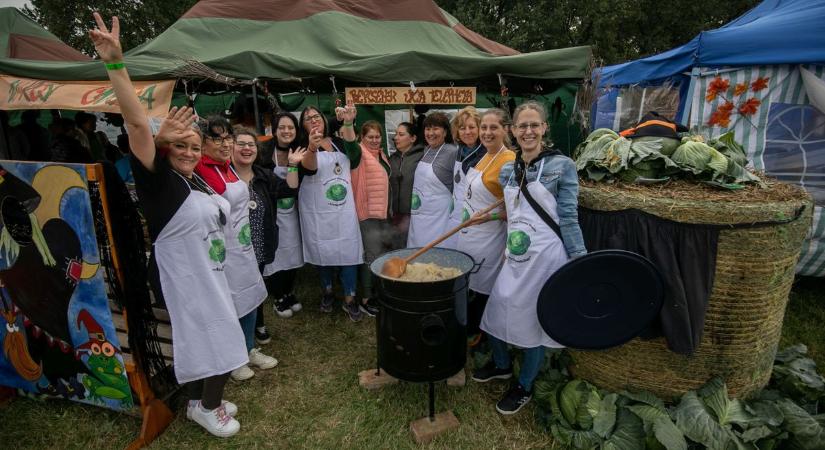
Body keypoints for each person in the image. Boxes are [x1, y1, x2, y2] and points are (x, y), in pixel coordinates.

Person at [90, 13, 246, 436]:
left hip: (208, 272)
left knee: (209, 337)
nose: (189, 151)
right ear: (163, 147)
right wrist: (116, 62)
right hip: (183, 277)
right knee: (218, 339)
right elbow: (137, 122)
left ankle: (199, 400)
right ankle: (208, 407)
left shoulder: (191, 178)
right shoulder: (159, 180)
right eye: (180, 145)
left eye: (194, 146)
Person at [473, 101, 586, 415]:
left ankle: (523, 386)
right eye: (522, 126)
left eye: (534, 125)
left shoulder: (562, 166)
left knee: (533, 324)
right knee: (495, 312)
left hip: (547, 258)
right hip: (516, 255)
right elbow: (513, 214)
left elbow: (568, 218)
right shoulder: (510, 169)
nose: (528, 131)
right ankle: (501, 365)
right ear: (513, 131)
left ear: (544, 128)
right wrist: (490, 220)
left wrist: (580, 262)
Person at [193, 115, 274, 382]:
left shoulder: (227, 167)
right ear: (202, 143)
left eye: (228, 137)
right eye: (217, 138)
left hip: (243, 244)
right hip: (220, 249)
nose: (225, 143)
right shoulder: (199, 170)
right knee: (230, 303)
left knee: (249, 296)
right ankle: (233, 357)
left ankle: (249, 348)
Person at [231, 127, 303, 366]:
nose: (246, 148)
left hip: (259, 245)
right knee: (234, 297)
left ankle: (255, 332)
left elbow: (288, 188)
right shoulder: (224, 176)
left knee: (254, 289)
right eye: (240, 143)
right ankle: (236, 347)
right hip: (231, 251)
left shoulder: (262, 175)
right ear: (231, 147)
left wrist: (292, 165)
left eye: (251, 144)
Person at [297, 104, 364, 322]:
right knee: (322, 249)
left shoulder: (338, 141)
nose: (313, 120)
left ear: (324, 120)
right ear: (303, 126)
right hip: (317, 211)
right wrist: (312, 148)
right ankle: (327, 292)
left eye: (316, 116)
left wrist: (348, 123)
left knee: (349, 251)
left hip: (342, 210)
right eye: (308, 118)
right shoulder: (300, 146)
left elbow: (354, 157)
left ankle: (350, 297)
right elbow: (309, 169)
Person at [456, 108, 515, 347]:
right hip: (468, 234)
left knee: (481, 290)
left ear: (506, 130)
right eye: (485, 128)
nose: (487, 133)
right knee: (468, 285)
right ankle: (468, 328)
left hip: (489, 239)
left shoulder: (509, 161)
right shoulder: (484, 155)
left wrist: (489, 218)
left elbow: (516, 210)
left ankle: (479, 335)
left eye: (494, 128)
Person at [262, 112, 305, 321]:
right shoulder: (263, 152)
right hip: (272, 212)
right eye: (282, 128)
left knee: (292, 252)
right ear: (274, 130)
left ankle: (289, 291)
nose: (287, 131)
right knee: (276, 254)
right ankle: (278, 296)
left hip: (293, 211)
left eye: (291, 128)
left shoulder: (298, 151)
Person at [351, 120, 391, 316]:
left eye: (377, 136)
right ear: (361, 137)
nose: (375, 140)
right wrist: (349, 122)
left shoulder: (381, 154)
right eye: (370, 137)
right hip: (367, 213)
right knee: (371, 255)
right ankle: (365, 299)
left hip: (381, 213)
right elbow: (350, 146)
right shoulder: (359, 153)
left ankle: (375, 292)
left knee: (379, 253)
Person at [406, 112, 458, 248]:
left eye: (435, 128)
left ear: (445, 131)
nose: (430, 133)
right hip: (419, 217)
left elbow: (459, 185)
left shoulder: (452, 152)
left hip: (440, 220)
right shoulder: (426, 150)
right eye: (428, 129)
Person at [443, 106, 485, 249]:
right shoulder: (458, 151)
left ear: (480, 128)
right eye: (462, 128)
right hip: (456, 215)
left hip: (478, 218)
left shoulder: (487, 152)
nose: (467, 132)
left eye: (472, 127)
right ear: (457, 131)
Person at [388, 122, 424, 249]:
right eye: (396, 134)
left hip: (414, 214)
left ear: (413, 138)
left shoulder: (422, 157)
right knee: (397, 249)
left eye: (401, 134)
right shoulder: (392, 158)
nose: (396, 137)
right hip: (395, 215)